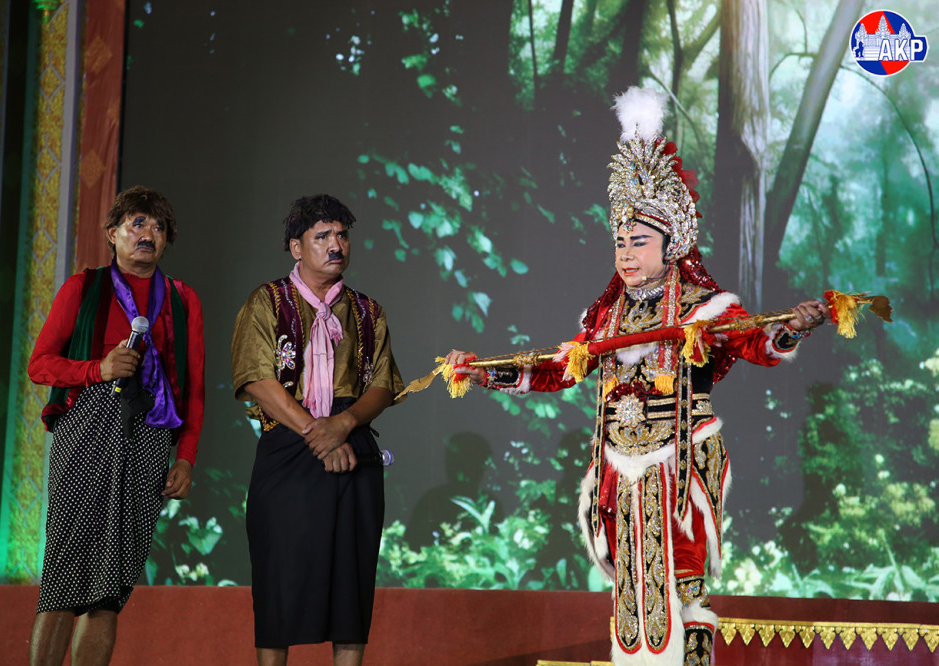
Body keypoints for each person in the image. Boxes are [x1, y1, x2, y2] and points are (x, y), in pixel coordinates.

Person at [446, 88, 829, 666]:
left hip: (680, 463)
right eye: (620, 242)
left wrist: (791, 329)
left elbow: (755, 342)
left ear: (671, 245)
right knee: (631, 590)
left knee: (685, 586)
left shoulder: (703, 308)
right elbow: (557, 369)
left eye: (640, 241)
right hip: (618, 467)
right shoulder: (605, 318)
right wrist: (482, 373)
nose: (626, 253)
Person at [27, 185, 205, 665]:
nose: (148, 234)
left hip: (150, 437)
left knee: (110, 587)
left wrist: (186, 457)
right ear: (112, 234)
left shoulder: (183, 299)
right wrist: (97, 369)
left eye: (158, 227)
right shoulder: (84, 287)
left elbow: (193, 389)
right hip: (86, 428)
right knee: (63, 577)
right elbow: (40, 364)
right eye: (137, 224)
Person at [231, 194, 404, 666]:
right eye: (322, 236)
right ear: (296, 247)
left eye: (342, 235)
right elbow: (255, 379)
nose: (335, 245)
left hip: (353, 441)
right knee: (279, 577)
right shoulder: (267, 301)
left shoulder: (367, 310)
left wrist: (343, 425)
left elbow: (384, 385)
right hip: (289, 440)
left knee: (352, 581)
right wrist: (317, 433)